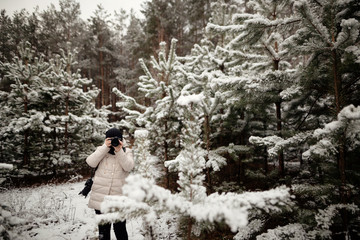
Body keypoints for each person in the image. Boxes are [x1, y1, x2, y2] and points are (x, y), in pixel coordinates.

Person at [86, 128, 134, 240]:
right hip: (101, 198)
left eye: (116, 139)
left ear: (121, 139)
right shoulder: (101, 150)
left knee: (120, 229)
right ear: (106, 139)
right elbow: (91, 162)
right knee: (103, 230)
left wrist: (119, 150)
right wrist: (104, 147)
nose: (113, 141)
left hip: (119, 198)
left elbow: (128, 167)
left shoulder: (126, 152)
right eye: (110, 139)